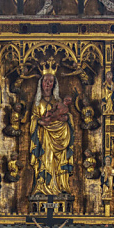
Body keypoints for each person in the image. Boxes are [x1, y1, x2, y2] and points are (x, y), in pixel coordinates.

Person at [29, 67, 74, 197]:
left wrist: (65, 119)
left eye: (51, 81)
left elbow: (67, 116)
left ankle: (61, 186)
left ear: (54, 84)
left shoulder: (58, 101)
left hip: (59, 136)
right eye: (45, 81)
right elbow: (33, 118)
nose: (48, 84)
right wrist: (39, 122)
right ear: (41, 83)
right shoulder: (38, 103)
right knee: (46, 160)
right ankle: (43, 186)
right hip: (44, 138)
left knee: (59, 161)